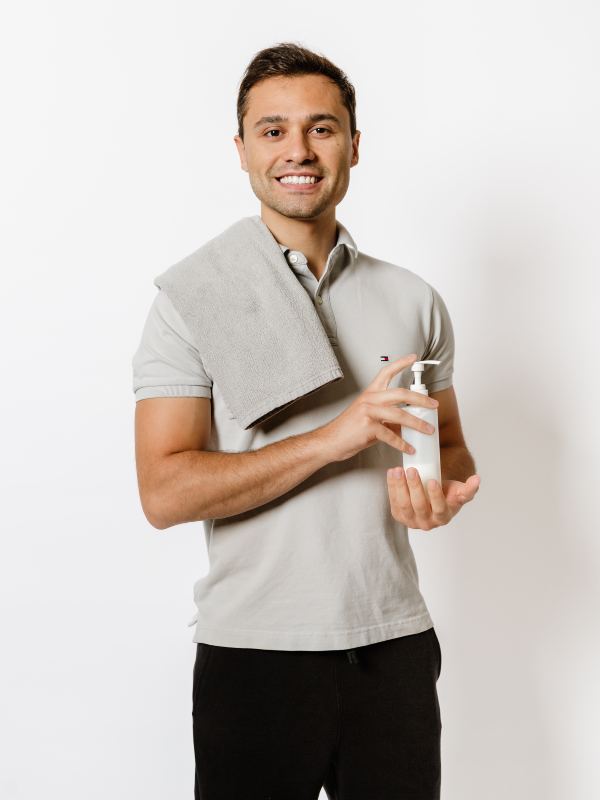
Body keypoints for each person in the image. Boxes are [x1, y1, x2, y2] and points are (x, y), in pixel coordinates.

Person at [132, 41, 480, 800]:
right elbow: (163, 491)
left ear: (354, 145)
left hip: (394, 647)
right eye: (273, 130)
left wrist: (440, 492)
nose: (298, 150)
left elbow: (447, 445)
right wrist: (335, 437)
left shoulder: (414, 299)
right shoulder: (194, 298)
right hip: (254, 652)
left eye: (322, 129)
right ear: (242, 149)